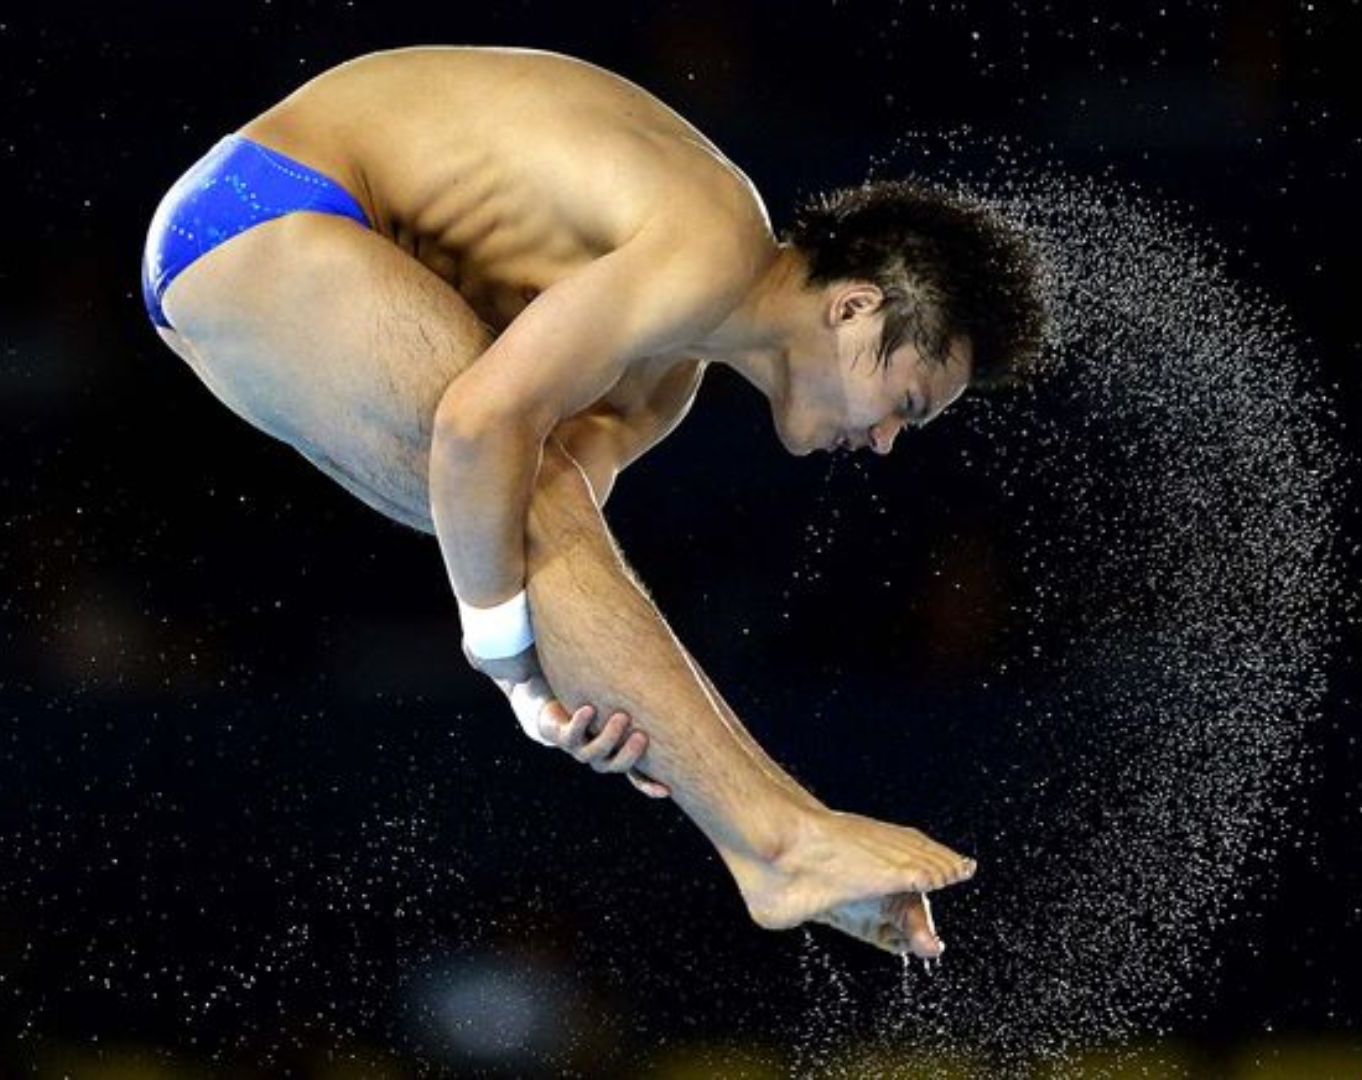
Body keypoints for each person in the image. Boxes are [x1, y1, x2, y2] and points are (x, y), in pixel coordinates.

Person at [140, 46, 1046, 958]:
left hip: (259, 253)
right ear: (855, 308)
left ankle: (780, 854)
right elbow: (478, 429)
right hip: (272, 207)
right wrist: (508, 665)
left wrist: (560, 703)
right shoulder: (712, 238)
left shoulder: (663, 380)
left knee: (529, 500)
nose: (886, 441)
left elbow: (526, 545)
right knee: (516, 467)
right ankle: (779, 843)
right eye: (908, 404)